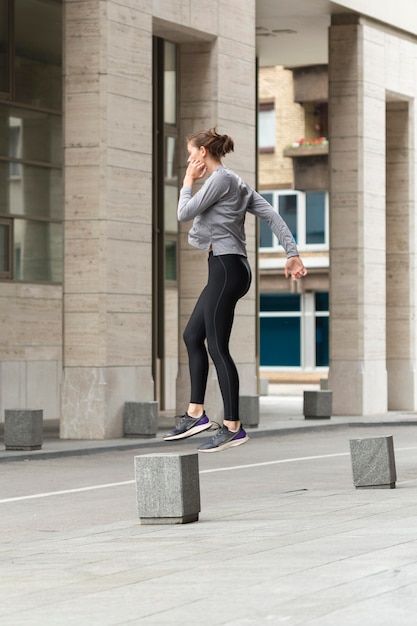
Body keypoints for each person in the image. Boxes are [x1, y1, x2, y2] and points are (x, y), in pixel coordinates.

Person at [163, 128, 307, 452]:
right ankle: (196, 413)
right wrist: (291, 253)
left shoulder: (220, 179)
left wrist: (187, 180)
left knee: (217, 346)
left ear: (202, 152)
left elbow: (184, 213)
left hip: (226, 267)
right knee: (192, 336)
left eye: (190, 153)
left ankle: (232, 427)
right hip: (227, 268)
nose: (189, 159)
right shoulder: (235, 182)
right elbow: (270, 214)